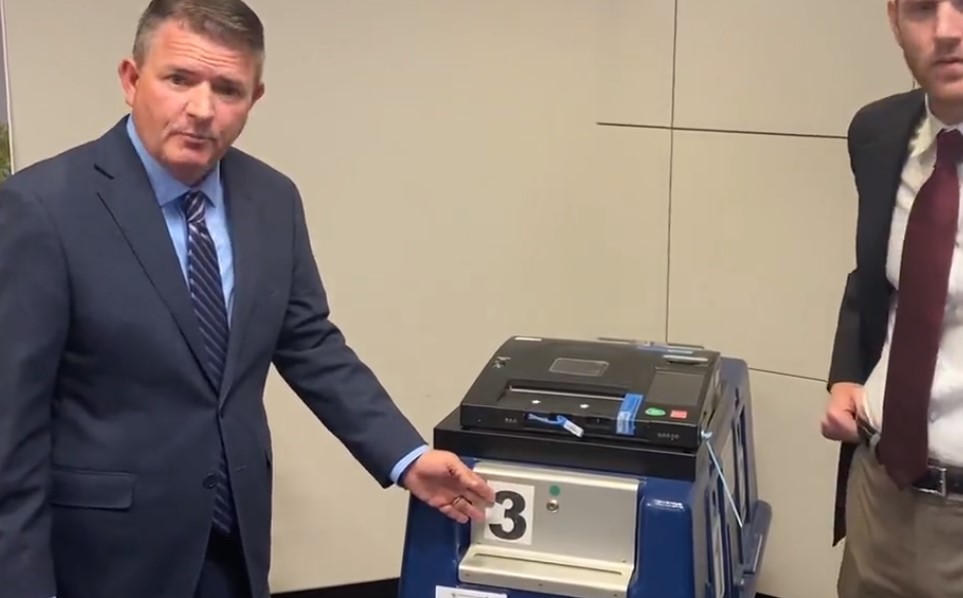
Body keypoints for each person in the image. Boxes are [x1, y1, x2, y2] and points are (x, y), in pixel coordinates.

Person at [0, 1, 496, 597]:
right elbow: (12, 428)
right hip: (103, 558)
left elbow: (310, 344)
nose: (201, 109)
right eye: (179, 79)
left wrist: (407, 457)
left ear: (254, 99)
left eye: (227, 89)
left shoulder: (272, 199)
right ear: (131, 80)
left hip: (233, 544)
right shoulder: (43, 208)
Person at [822, 0, 963, 596]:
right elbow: (876, 275)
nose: (947, 31)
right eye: (924, 7)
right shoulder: (878, 133)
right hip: (880, 495)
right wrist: (846, 376)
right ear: (894, 19)